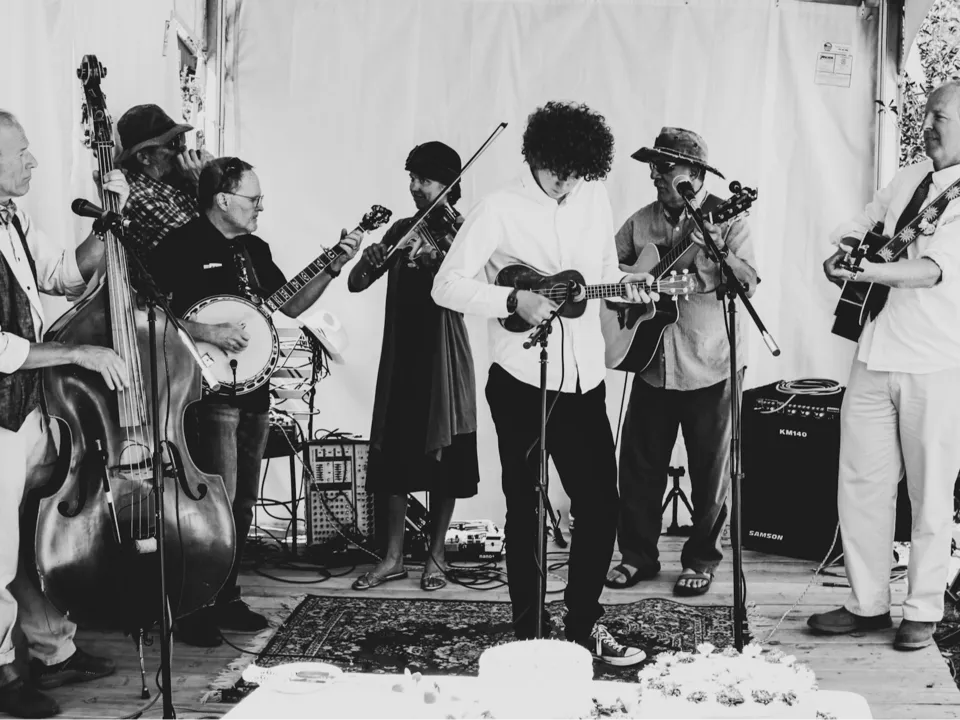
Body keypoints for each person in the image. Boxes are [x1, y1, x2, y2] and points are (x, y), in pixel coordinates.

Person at [432, 101, 649, 666]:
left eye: (578, 174)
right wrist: (511, 299)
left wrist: (626, 286)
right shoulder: (498, 208)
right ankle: (529, 631)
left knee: (600, 505)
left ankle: (583, 626)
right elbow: (445, 285)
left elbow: (603, 273)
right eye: (559, 172)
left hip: (585, 379)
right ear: (537, 156)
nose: (567, 183)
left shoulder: (593, 197)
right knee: (525, 508)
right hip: (521, 381)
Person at [148, 157, 362, 646]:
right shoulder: (179, 246)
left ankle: (226, 595)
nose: (260, 207)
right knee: (213, 502)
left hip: (254, 393)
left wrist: (332, 267)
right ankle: (193, 606)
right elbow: (148, 308)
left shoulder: (254, 249)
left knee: (243, 503)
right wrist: (205, 331)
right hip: (207, 393)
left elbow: (290, 302)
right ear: (223, 200)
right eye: (254, 199)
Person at [809, 80, 960, 651]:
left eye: (940, 116)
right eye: (925, 114)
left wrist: (867, 273)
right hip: (874, 350)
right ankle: (867, 603)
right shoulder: (910, 176)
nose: (927, 124)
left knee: (930, 493)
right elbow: (867, 221)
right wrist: (843, 251)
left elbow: (932, 270)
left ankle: (923, 608)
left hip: (937, 361)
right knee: (862, 484)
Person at [0, 111, 128, 718]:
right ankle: (3, 675)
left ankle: (52, 648)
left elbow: (64, 276)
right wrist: (77, 352)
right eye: (20, 152)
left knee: (25, 539)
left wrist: (109, 222)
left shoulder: (15, 218)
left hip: (27, 408)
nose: (33, 161)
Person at [604, 128, 758, 597]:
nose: (655, 175)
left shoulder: (729, 218)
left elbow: (748, 282)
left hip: (710, 361)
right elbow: (605, 270)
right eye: (653, 167)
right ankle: (636, 555)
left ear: (694, 175)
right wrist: (628, 287)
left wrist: (716, 249)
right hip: (651, 361)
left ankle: (702, 560)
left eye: (665, 167)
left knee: (710, 471)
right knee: (638, 465)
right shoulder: (639, 222)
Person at [347, 141, 479, 592]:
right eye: (412, 178)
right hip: (402, 354)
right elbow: (357, 283)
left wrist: (441, 261)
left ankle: (436, 557)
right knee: (395, 457)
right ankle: (393, 558)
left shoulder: (464, 232)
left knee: (445, 461)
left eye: (424, 179)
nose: (415, 187)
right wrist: (368, 259)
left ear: (449, 184)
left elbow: (476, 290)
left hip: (444, 356)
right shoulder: (403, 228)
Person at [115, 104, 208, 256]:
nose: (182, 149)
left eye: (180, 139)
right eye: (172, 143)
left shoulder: (172, 182)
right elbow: (205, 245)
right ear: (144, 158)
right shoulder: (141, 197)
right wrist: (202, 184)